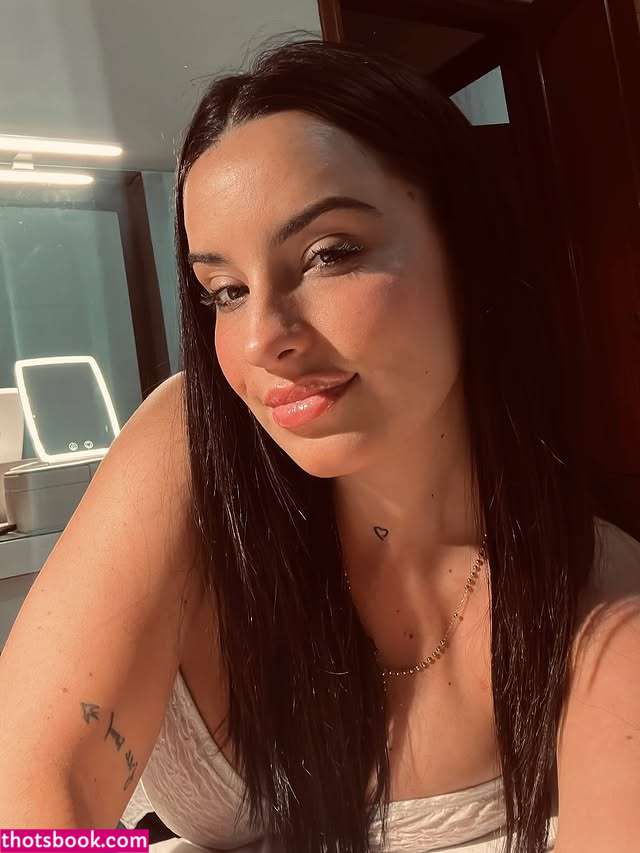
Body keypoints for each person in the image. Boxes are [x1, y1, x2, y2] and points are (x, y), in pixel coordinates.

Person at [1, 36, 639, 853]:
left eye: (329, 254)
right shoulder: (192, 447)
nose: (262, 336)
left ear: (466, 251)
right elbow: (30, 814)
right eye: (225, 290)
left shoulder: (596, 599)